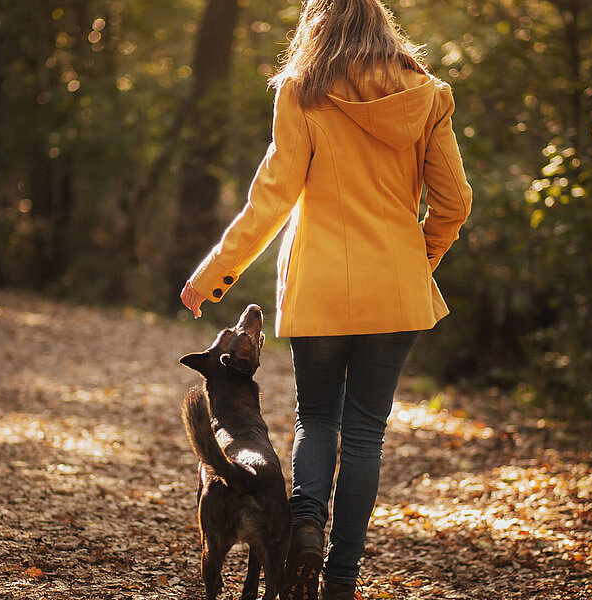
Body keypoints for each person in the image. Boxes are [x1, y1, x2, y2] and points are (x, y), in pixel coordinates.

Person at [180, 0, 472, 598]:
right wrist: (420, 261)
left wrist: (213, 275)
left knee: (317, 418)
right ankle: (341, 579)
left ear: (318, 22)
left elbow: (272, 198)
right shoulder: (428, 95)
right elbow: (455, 202)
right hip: (395, 288)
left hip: (319, 286)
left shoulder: (301, 90)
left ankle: (307, 526)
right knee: (366, 434)